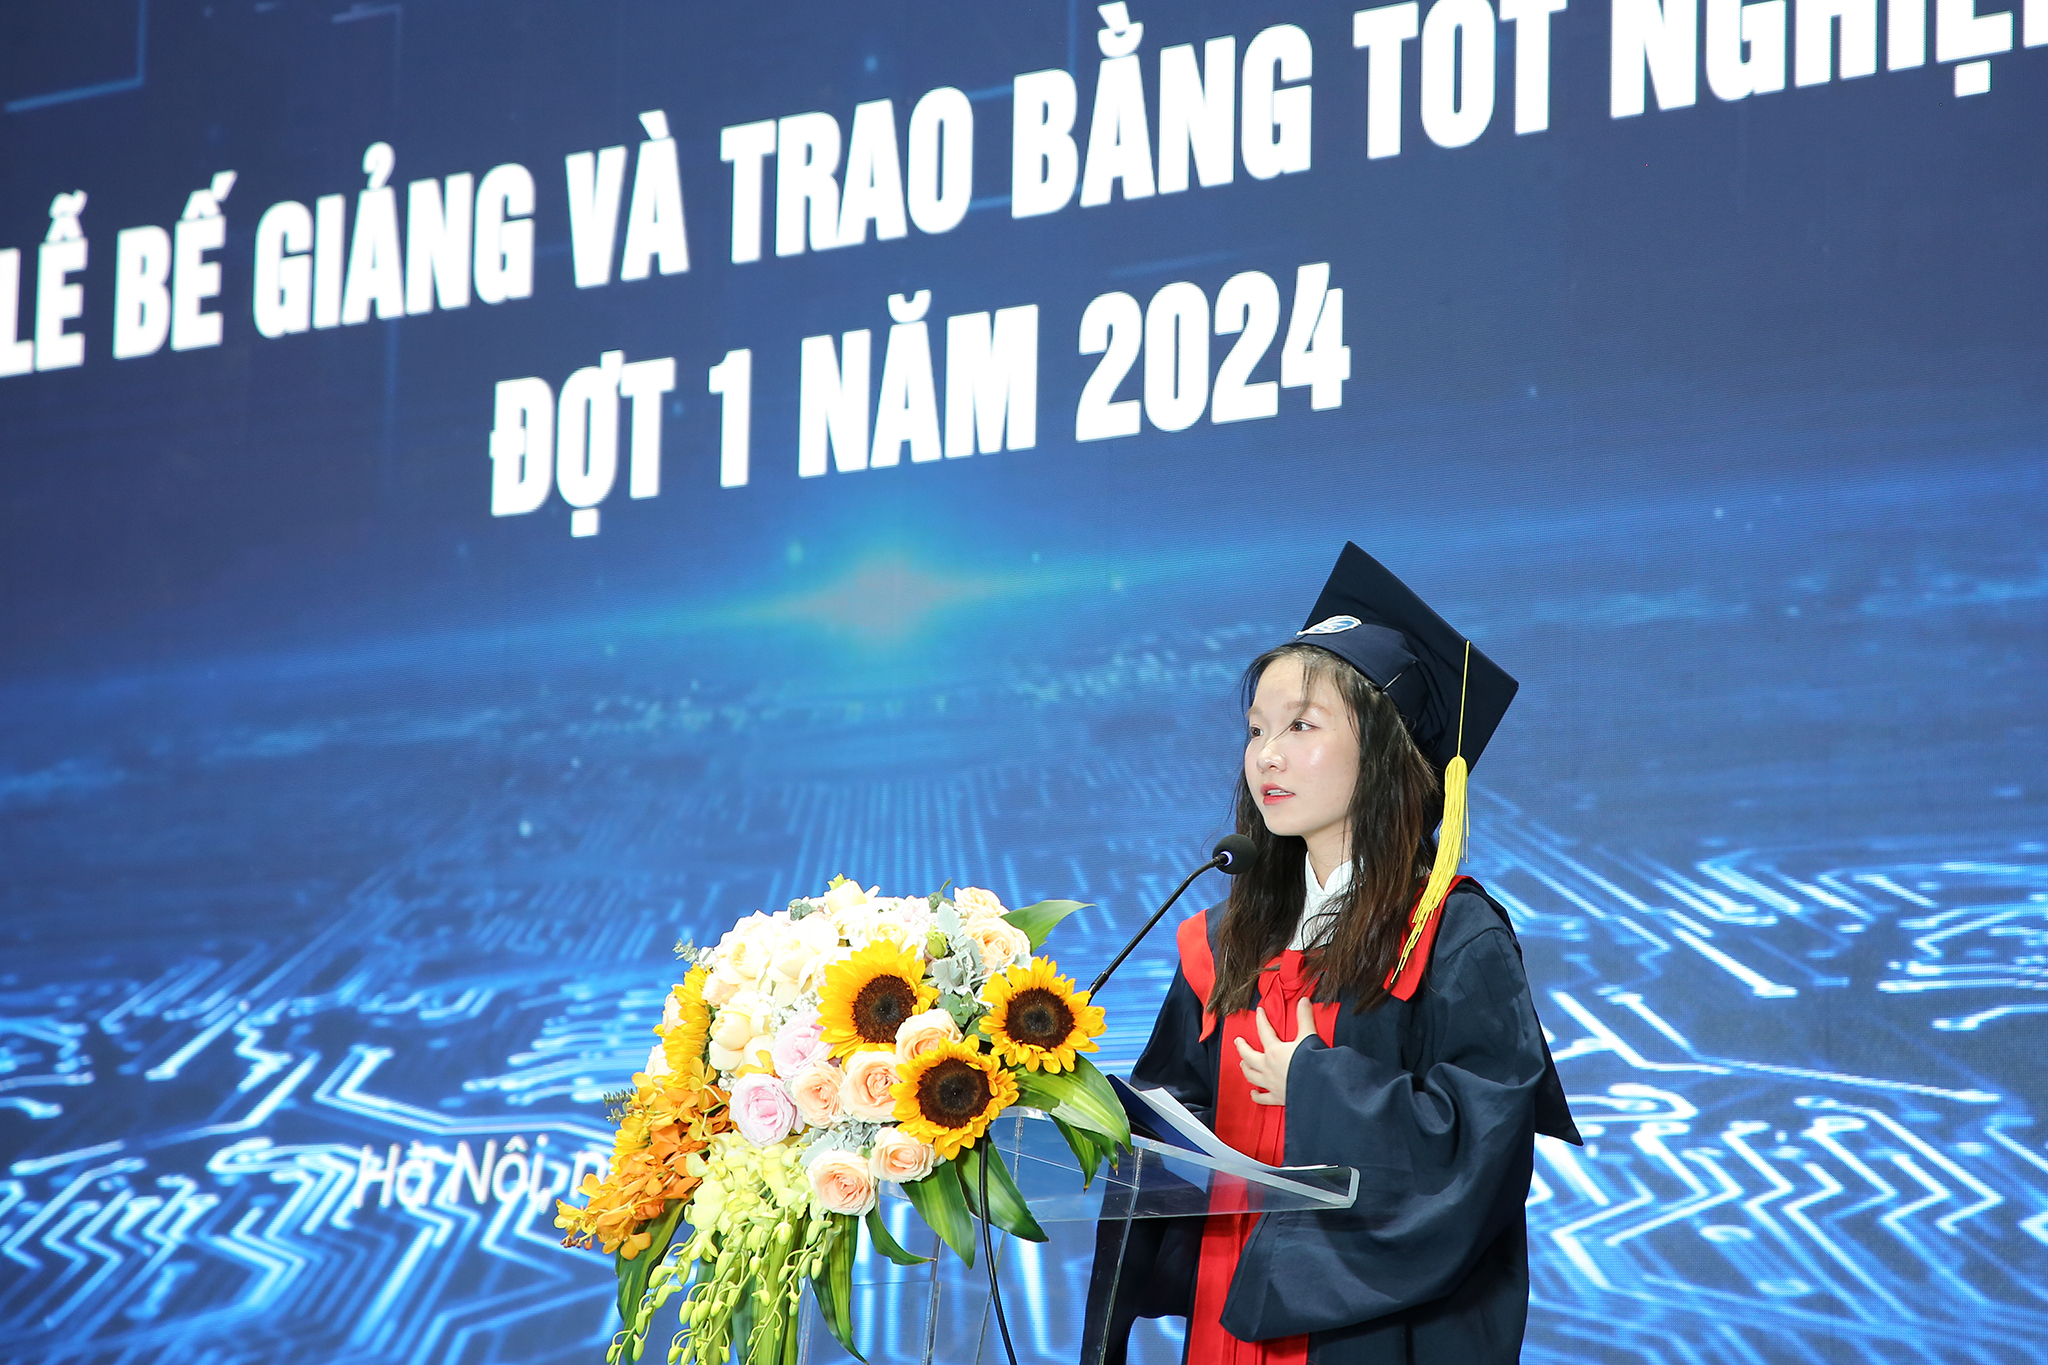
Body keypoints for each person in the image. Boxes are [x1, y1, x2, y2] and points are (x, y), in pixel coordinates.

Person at [1088, 543, 1579, 1365]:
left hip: (1365, 1332)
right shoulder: (1222, 941)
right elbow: (1167, 1134)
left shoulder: (1451, 936)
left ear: (1384, 749)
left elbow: (1481, 1148)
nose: (1266, 754)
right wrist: (1081, 1110)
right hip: (1227, 1309)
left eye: (1300, 725)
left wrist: (1317, 1082)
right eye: (1256, 729)